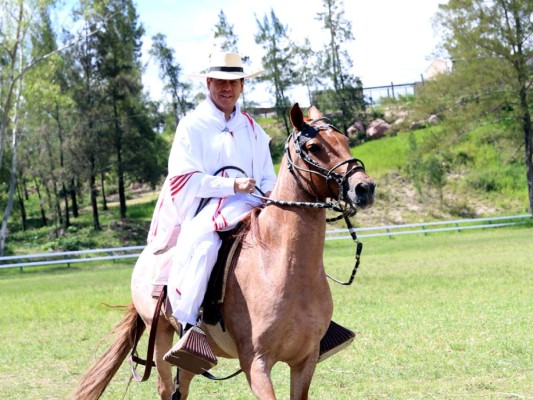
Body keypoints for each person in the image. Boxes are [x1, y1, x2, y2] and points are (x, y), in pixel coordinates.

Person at [146, 51, 276, 372]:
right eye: (220, 81)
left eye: (233, 82)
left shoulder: (253, 129)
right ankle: (189, 327)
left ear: (243, 85)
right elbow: (184, 180)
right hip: (206, 210)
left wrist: (270, 197)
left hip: (252, 206)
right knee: (205, 247)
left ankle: (309, 315)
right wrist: (230, 187)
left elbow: (268, 177)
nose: (227, 88)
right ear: (208, 83)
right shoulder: (192, 126)